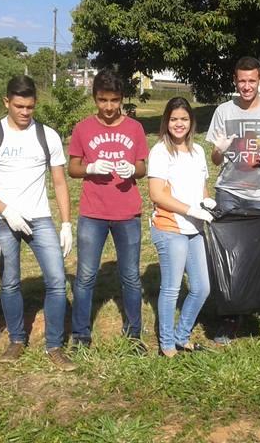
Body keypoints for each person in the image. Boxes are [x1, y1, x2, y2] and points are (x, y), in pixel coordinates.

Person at [0, 76, 75, 370]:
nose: (25, 112)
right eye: (19, 106)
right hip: (2, 219)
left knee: (57, 282)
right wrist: (0, 215)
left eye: (30, 107)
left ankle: (55, 345)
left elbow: (60, 182)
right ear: (6, 102)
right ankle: (17, 340)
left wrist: (66, 224)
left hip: (39, 218)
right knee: (10, 283)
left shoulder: (47, 135)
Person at [204, 56, 260, 344]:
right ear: (235, 80)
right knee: (230, 258)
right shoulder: (223, 111)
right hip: (227, 192)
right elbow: (214, 159)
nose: (247, 86)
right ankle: (230, 317)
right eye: (242, 80)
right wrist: (220, 149)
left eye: (252, 80)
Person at [67, 69, 149, 351]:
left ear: (122, 99)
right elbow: (72, 167)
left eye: (115, 100)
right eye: (103, 100)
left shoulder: (135, 129)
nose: (110, 107)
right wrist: (89, 167)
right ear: (95, 99)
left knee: (130, 276)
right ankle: (80, 334)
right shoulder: (83, 128)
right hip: (93, 212)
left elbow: (142, 166)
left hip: (127, 212)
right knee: (86, 275)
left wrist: (133, 171)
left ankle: (134, 334)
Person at [148, 97, 215, 357]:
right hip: (170, 227)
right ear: (167, 121)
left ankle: (182, 335)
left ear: (191, 122)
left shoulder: (197, 151)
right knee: (172, 288)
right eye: (174, 119)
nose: (179, 124)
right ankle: (166, 344)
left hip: (195, 227)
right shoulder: (160, 152)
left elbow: (202, 187)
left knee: (201, 288)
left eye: (184, 119)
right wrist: (189, 210)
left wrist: (206, 203)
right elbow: (157, 194)